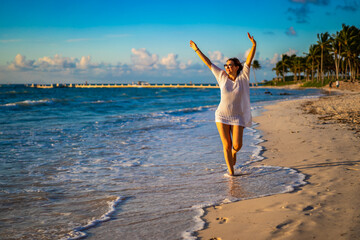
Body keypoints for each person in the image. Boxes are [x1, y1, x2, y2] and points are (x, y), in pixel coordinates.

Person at [189, 33, 256, 176]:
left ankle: (234, 152)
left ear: (237, 67)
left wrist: (254, 45)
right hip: (221, 116)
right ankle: (231, 174)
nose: (227, 67)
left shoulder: (243, 77)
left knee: (237, 145)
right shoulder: (221, 76)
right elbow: (208, 63)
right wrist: (196, 49)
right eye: (226, 65)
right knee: (226, 145)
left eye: (230, 65)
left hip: (237, 116)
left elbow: (249, 61)